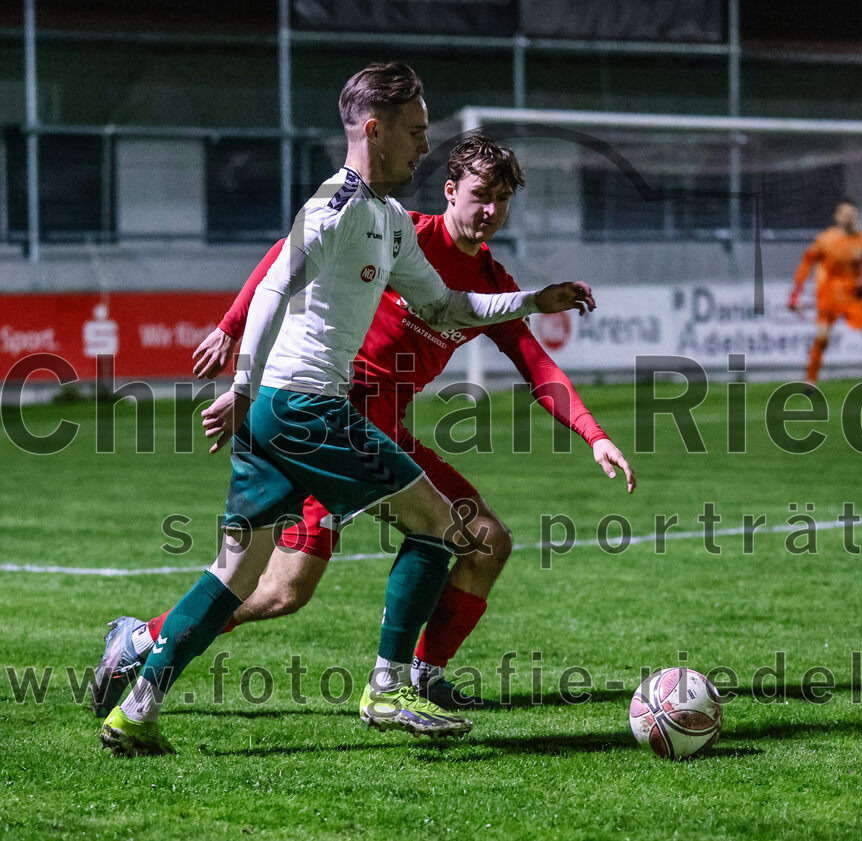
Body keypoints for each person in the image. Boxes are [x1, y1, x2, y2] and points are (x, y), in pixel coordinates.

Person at [98, 62, 595, 756]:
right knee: (440, 526)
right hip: (307, 409)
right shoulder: (334, 206)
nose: (424, 147)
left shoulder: (389, 221)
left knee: (236, 575)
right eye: (416, 131)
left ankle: (135, 710)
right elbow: (274, 285)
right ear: (374, 128)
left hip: (277, 413)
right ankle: (389, 684)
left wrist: (532, 300)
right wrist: (240, 383)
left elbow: (445, 305)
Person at [788, 199, 862, 390]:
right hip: (829, 295)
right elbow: (806, 264)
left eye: (852, 214)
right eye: (845, 213)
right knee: (822, 338)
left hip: (853, 296)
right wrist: (795, 295)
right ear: (837, 216)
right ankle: (810, 382)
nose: (849, 217)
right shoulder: (826, 240)